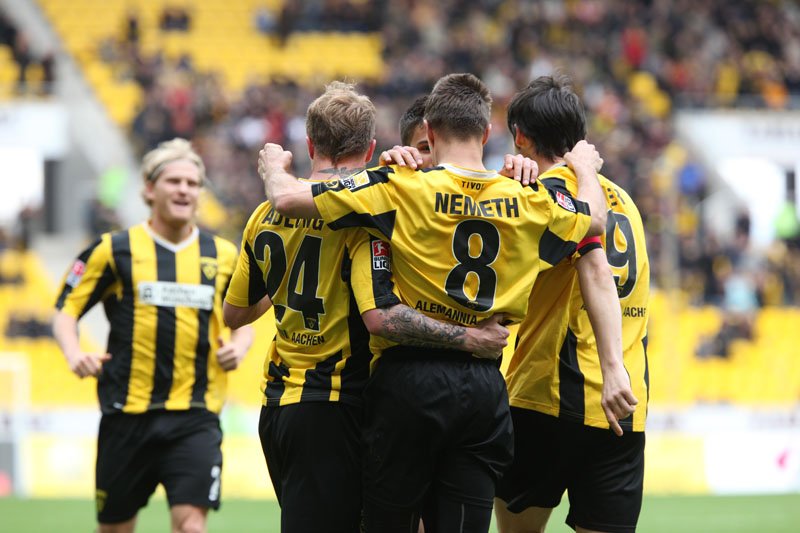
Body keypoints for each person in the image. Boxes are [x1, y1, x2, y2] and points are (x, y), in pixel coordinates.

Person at [258, 72, 608, 533]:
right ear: (487, 133)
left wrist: (273, 166)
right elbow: (595, 219)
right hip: (483, 383)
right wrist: (584, 168)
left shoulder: (399, 186)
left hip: (407, 379)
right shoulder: (527, 197)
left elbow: (286, 200)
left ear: (429, 130)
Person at [223, 81, 510, 533]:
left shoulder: (264, 216)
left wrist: (291, 279)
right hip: (338, 402)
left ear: (310, 144)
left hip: (279, 405)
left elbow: (235, 313)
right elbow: (379, 315)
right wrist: (471, 337)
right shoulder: (364, 215)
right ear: (372, 147)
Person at [53, 138, 254, 533]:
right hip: (127, 416)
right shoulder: (113, 250)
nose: (184, 190)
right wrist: (74, 353)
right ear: (149, 189)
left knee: (191, 526)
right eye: (174, 181)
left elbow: (243, 317)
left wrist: (240, 346)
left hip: (196, 415)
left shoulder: (224, 255)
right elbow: (66, 309)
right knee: (115, 529)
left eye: (193, 183)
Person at [495, 75, 650, 533]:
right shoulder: (626, 202)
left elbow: (588, 269)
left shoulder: (545, 195)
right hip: (624, 407)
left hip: (547, 398)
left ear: (520, 136)